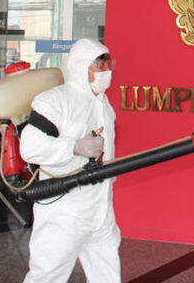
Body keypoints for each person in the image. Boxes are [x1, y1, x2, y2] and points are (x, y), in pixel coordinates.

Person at [20, 38, 121, 283]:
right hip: (64, 211)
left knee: (107, 276)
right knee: (48, 275)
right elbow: (29, 147)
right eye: (99, 65)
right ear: (80, 66)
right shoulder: (55, 101)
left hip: (101, 210)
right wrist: (74, 147)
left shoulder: (104, 104)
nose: (106, 71)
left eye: (109, 64)